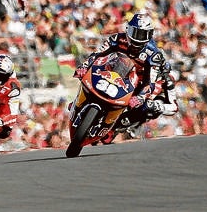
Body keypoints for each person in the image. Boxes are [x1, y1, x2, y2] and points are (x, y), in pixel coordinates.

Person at [73, 12, 168, 142]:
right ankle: (78, 103)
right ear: (128, 30)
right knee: (88, 74)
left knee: (144, 106)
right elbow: (98, 54)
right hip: (113, 70)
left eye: (143, 34)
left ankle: (116, 127)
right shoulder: (117, 38)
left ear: (150, 35)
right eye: (135, 32)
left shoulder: (154, 54)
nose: (138, 38)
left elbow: (150, 81)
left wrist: (140, 97)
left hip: (136, 82)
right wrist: (84, 66)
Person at [107, 61, 179, 141]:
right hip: (127, 93)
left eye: (156, 70)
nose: (152, 71)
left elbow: (174, 107)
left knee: (148, 107)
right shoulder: (139, 67)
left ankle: (124, 127)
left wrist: (156, 106)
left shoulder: (168, 82)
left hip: (144, 105)